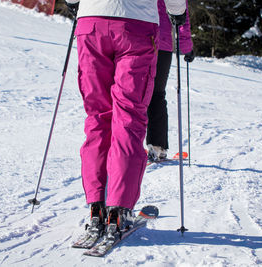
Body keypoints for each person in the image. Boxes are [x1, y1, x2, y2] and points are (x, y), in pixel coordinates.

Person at [65, 0, 187, 238]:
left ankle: (96, 206)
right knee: (128, 117)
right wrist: (177, 12)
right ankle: (119, 208)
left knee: (98, 116)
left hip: (92, 23)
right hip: (136, 26)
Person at [146, 0, 194, 162]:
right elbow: (181, 16)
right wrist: (186, 46)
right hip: (161, 42)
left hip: (135, 37)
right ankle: (157, 145)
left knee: (134, 93)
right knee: (156, 94)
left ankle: (127, 145)